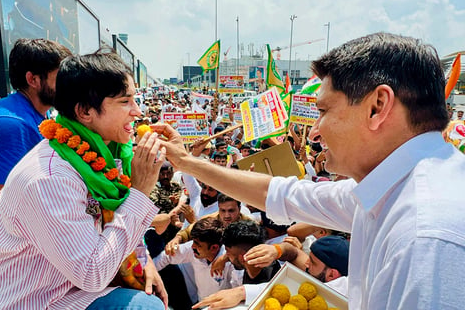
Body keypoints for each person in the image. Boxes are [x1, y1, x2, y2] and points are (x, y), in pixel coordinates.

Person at [153, 32, 465, 309]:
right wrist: (188, 163)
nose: (314, 132)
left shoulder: (427, 237)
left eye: (324, 111)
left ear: (377, 107)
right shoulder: (390, 187)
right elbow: (282, 194)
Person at [0, 51, 168, 309]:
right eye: (125, 102)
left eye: (135, 99)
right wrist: (139, 192)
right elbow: (92, 273)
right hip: (34, 299)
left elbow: (114, 214)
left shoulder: (110, 154)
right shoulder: (49, 179)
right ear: (84, 111)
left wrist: (143, 259)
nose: (137, 112)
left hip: (69, 286)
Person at [0, 38, 72, 213]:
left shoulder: (41, 113)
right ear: (33, 79)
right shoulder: (9, 126)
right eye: (61, 78)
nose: (69, 86)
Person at [194, 235, 349, 309]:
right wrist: (276, 250)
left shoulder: (347, 292)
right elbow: (294, 252)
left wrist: (244, 292)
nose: (306, 263)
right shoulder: (315, 269)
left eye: (313, 262)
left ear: (332, 275)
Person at [153, 217, 235, 303]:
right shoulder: (192, 249)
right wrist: (149, 274)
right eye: (193, 242)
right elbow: (166, 257)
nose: (193, 246)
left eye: (197, 244)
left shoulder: (230, 261)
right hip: (200, 304)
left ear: (214, 248)